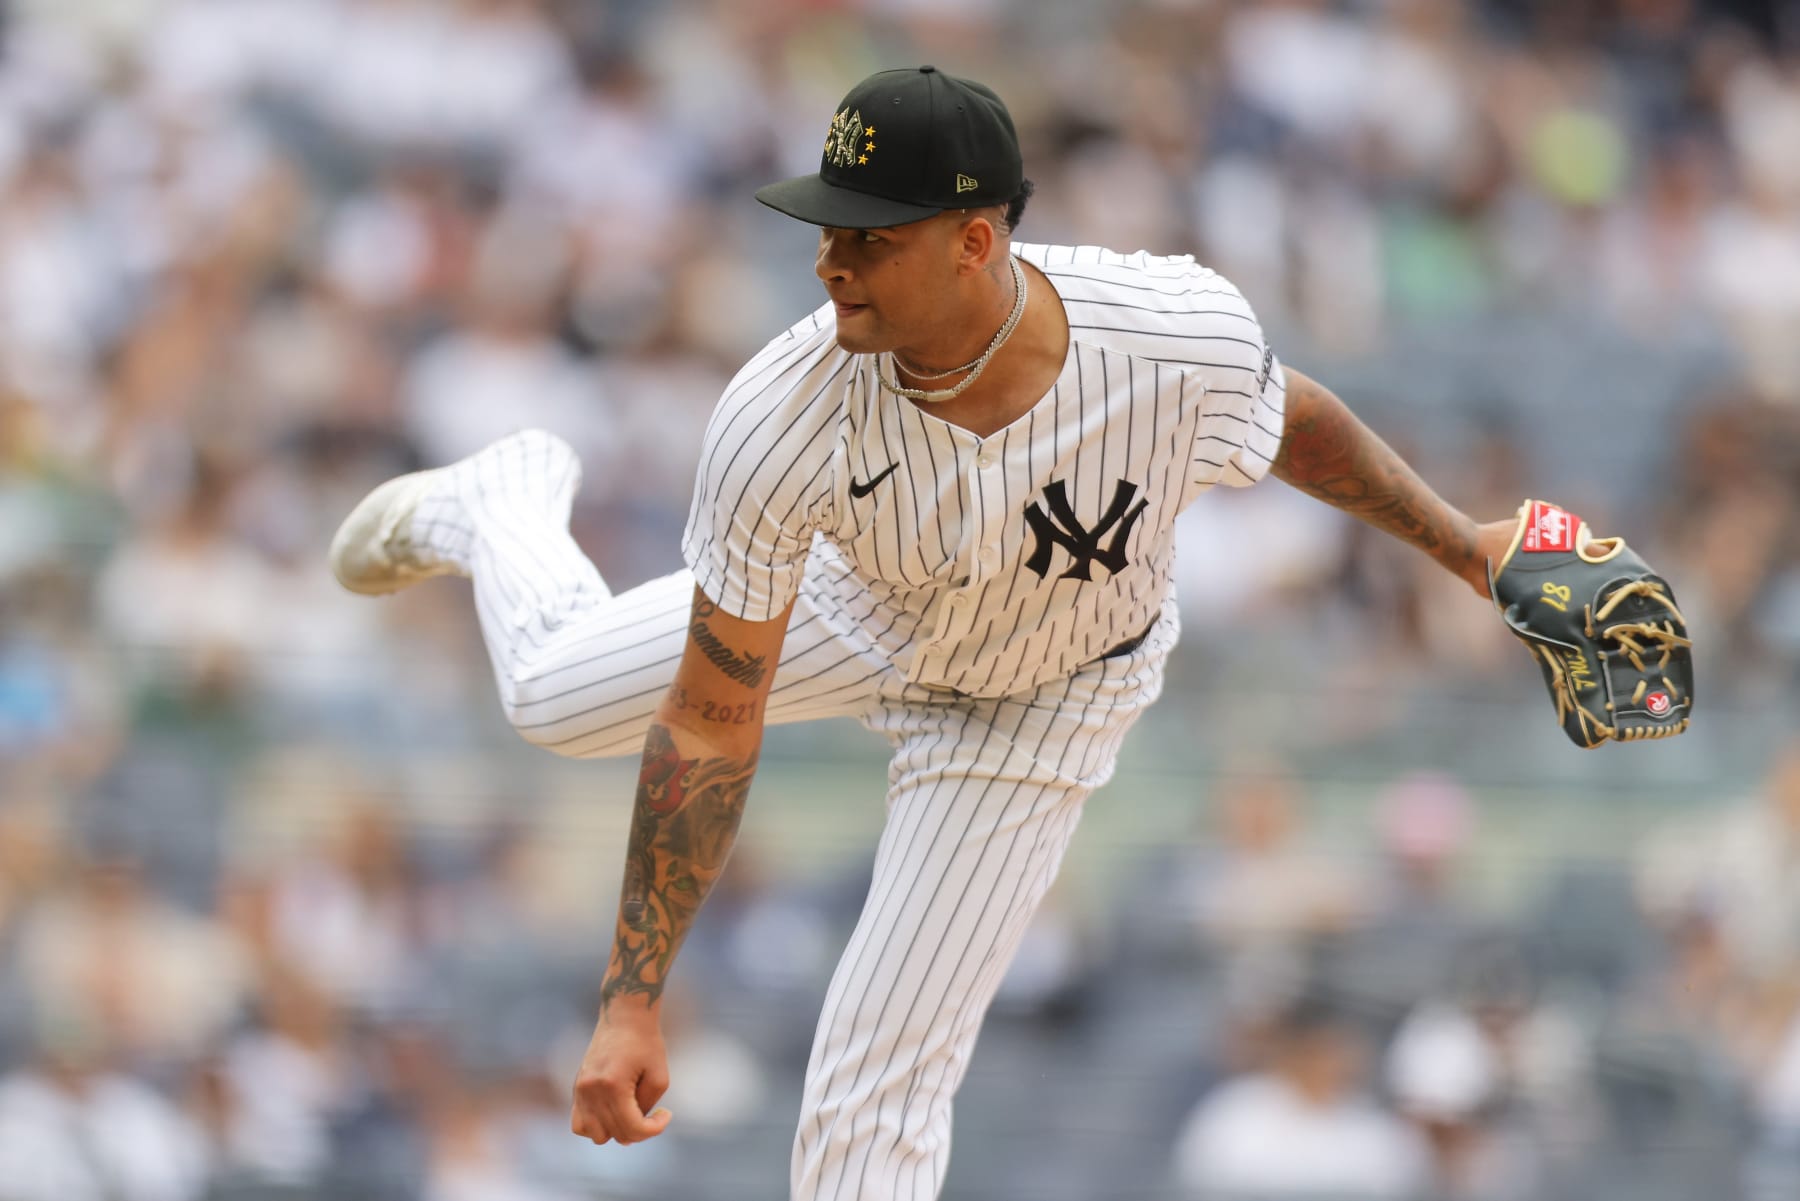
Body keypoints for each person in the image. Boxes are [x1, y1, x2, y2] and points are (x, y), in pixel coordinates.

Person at [329, 66, 1519, 1201]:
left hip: (1046, 693)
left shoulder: (1168, 331)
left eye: (869, 236)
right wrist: (633, 997)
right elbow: (707, 719)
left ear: (975, 240)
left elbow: (1289, 420)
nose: (831, 261)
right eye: (828, 228)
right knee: (544, 695)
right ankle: (504, 500)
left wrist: (1466, 547)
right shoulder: (781, 413)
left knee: (877, 1076)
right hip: (867, 613)